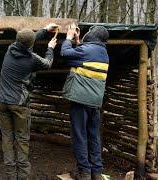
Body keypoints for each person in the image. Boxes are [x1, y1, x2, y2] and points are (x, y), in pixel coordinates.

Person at [0, 24, 58, 180]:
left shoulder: (10, 50)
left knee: (7, 138)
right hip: (18, 105)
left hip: (2, 102)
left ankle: (11, 176)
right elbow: (48, 63)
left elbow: (27, 41)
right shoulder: (31, 60)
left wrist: (44, 30)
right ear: (30, 45)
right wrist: (50, 47)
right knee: (22, 139)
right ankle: (22, 176)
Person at [60, 25, 109, 180]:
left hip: (81, 101)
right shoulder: (103, 53)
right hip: (95, 103)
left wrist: (68, 38)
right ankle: (97, 172)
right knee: (93, 136)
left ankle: (84, 172)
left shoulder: (86, 51)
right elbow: (85, 58)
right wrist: (78, 41)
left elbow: (65, 53)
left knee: (79, 136)